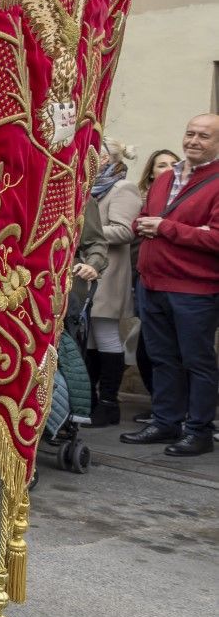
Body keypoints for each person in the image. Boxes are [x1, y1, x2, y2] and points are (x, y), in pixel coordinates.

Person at [125, 113, 219, 457]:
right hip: (151, 282)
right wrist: (153, 225)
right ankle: (166, 421)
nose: (193, 140)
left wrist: (166, 228)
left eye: (204, 136)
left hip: (194, 289)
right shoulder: (166, 178)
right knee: (162, 358)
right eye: (190, 133)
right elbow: (143, 218)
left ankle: (199, 430)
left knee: (197, 361)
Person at [82, 139, 141, 427]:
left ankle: (109, 402)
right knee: (90, 336)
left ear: (107, 159)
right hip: (89, 270)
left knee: (105, 334)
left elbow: (124, 230)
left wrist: (84, 229)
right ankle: (91, 400)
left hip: (109, 272)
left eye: (97, 155)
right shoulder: (90, 187)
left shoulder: (122, 188)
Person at [131, 148, 180, 419]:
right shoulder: (145, 197)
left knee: (183, 353)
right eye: (162, 165)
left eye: (174, 164)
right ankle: (163, 411)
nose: (169, 169)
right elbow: (134, 228)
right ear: (151, 172)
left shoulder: (184, 196)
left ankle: (178, 414)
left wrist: (162, 226)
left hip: (178, 282)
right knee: (151, 350)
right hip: (144, 277)